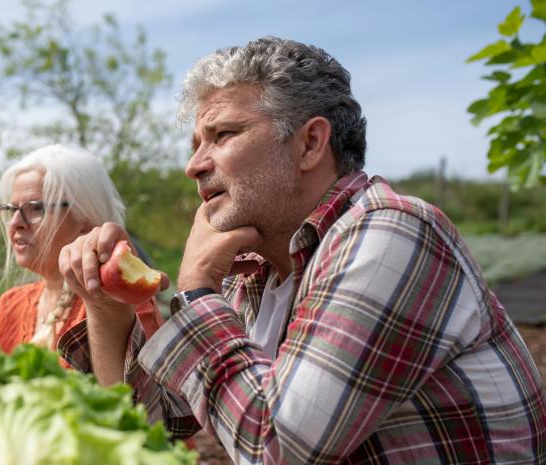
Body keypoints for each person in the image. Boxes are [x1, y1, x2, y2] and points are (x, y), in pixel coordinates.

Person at [58, 37, 546, 464]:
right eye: (195, 144)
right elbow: (153, 429)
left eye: (223, 134)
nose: (194, 165)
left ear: (310, 144)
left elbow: (281, 447)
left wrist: (197, 290)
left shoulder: (390, 233)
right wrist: (105, 308)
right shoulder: (255, 277)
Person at [0, 144, 164, 362]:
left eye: (36, 208)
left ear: (84, 222)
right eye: (10, 210)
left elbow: (139, 392)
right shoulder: (10, 306)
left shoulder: (118, 301)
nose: (16, 223)